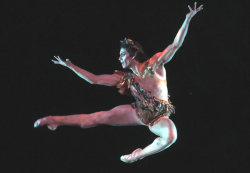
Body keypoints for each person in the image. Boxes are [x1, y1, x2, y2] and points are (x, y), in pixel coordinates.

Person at [34, 2, 203, 163]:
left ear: (133, 54)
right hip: (138, 113)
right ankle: (55, 120)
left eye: (122, 54)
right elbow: (95, 79)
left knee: (171, 136)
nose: (119, 58)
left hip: (158, 118)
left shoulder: (154, 65)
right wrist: (71, 66)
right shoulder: (126, 78)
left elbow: (175, 45)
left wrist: (187, 19)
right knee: (97, 118)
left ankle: (137, 155)